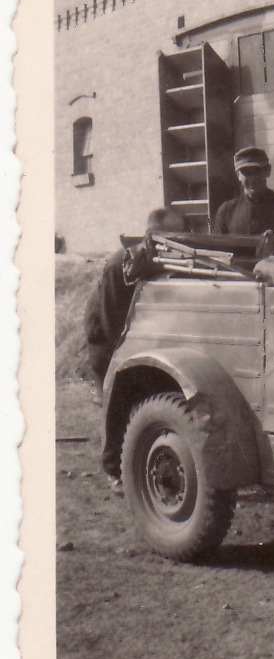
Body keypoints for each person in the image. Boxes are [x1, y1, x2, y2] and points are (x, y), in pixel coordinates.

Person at [84, 206, 185, 490]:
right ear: (152, 235)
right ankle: (113, 470)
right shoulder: (120, 264)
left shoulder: (162, 258)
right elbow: (112, 320)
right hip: (106, 341)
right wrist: (130, 357)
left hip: (137, 335)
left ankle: (137, 460)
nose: (179, 240)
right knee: (116, 403)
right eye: (173, 235)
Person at [213, 146, 274, 236]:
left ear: (268, 171)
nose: (252, 178)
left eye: (257, 171)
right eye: (246, 172)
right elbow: (218, 245)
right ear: (238, 175)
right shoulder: (227, 212)